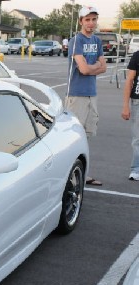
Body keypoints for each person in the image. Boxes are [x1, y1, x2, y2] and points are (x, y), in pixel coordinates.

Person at [66, 6, 107, 186]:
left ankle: (83, 173)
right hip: (76, 95)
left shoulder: (97, 41)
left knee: (87, 136)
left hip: (92, 94)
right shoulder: (77, 41)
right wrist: (94, 67)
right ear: (81, 21)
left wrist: (92, 68)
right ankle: (68, 174)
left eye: (94, 19)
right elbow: (82, 69)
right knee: (72, 137)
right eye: (87, 19)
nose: (91, 23)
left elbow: (104, 67)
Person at [121, 49, 139, 181]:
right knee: (137, 139)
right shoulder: (137, 55)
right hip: (137, 101)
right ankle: (135, 170)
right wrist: (126, 105)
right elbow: (129, 80)